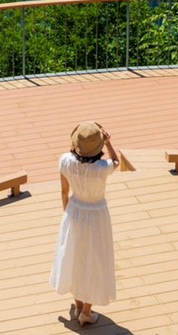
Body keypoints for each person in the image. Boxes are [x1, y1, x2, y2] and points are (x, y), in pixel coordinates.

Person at [50, 120, 120, 326]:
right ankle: (86, 313)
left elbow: (64, 191)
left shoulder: (65, 161)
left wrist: (68, 214)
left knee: (74, 255)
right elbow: (116, 161)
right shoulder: (103, 167)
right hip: (97, 215)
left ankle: (79, 305)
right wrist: (108, 143)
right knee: (94, 260)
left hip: (74, 211)